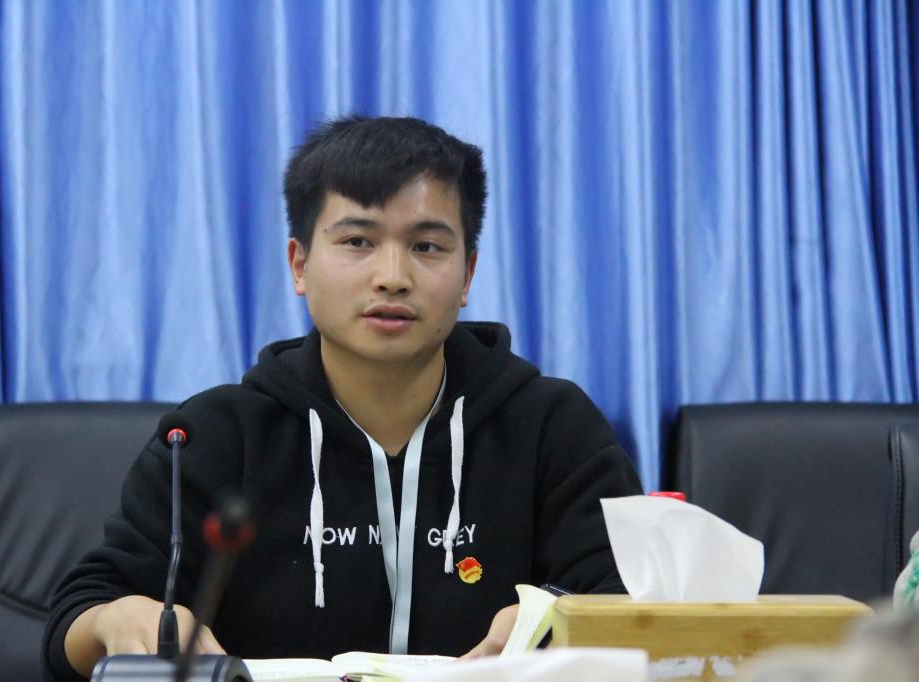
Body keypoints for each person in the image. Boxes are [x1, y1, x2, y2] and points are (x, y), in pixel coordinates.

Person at [43, 115, 643, 680]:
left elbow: (633, 604)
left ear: (467, 275)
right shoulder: (212, 436)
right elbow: (76, 620)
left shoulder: (553, 427)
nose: (392, 277)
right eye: (358, 241)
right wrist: (115, 619)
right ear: (299, 264)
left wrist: (553, 615)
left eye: (427, 247)